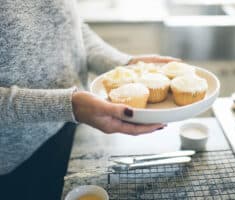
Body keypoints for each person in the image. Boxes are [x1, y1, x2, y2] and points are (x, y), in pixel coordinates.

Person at [0, 0, 178, 199]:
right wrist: (67, 105)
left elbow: (72, 30)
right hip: (16, 158)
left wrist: (126, 66)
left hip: (71, 127)